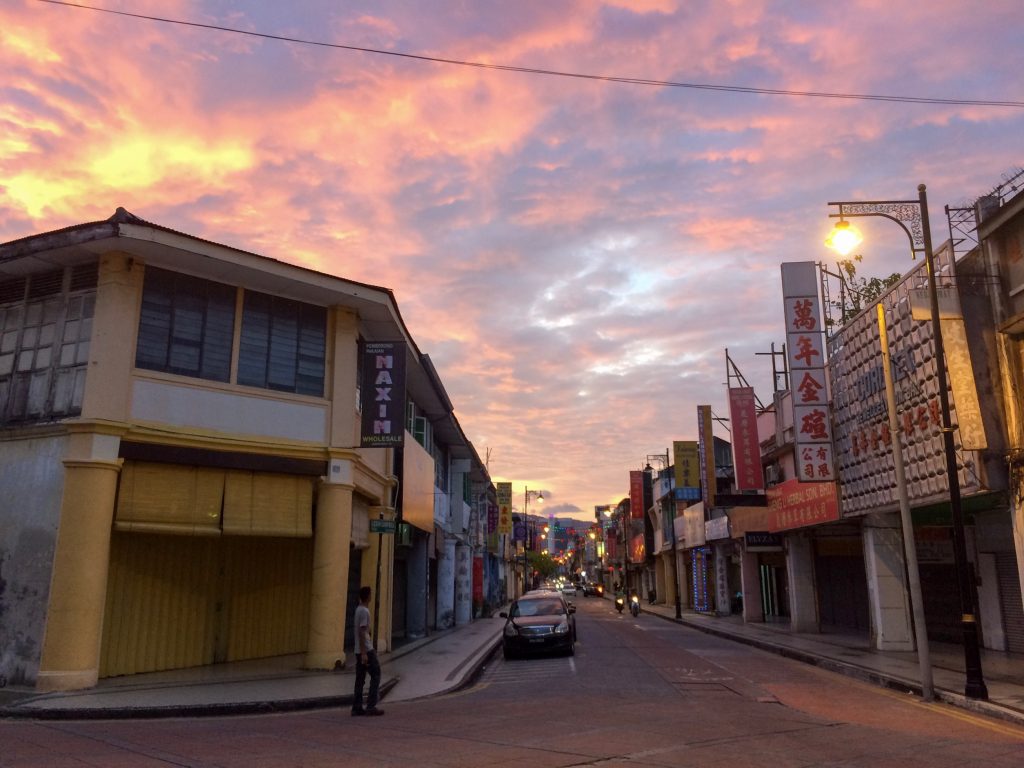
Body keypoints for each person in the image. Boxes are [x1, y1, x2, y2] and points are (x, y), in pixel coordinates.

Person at [351, 585, 383, 716]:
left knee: (360, 679)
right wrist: (365, 652)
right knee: (376, 674)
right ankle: (371, 705)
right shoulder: (364, 611)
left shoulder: (358, 610)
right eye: (370, 594)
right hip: (366, 650)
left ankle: (357, 707)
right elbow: (362, 631)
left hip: (358, 650)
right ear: (368, 596)